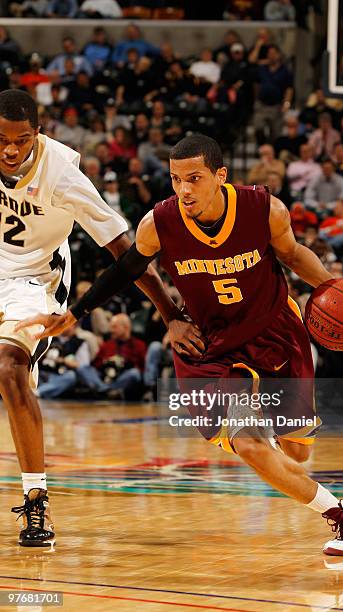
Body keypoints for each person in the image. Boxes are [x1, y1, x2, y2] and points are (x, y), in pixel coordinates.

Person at [20, 134, 343, 556]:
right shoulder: (159, 223)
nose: (184, 189)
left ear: (220, 176)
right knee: (249, 443)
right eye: (175, 179)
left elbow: (294, 257)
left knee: (295, 451)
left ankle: (275, 441)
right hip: (210, 342)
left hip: (275, 331)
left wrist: (338, 286)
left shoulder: (265, 210)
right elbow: (127, 268)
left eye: (194, 178)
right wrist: (76, 314)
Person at [0, 90, 198, 548]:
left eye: (21, 140)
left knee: (9, 370)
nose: (10, 149)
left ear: (38, 134)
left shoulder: (64, 176)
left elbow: (126, 254)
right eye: (2, 139)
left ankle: (35, 501)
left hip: (34, 277)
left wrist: (169, 313)